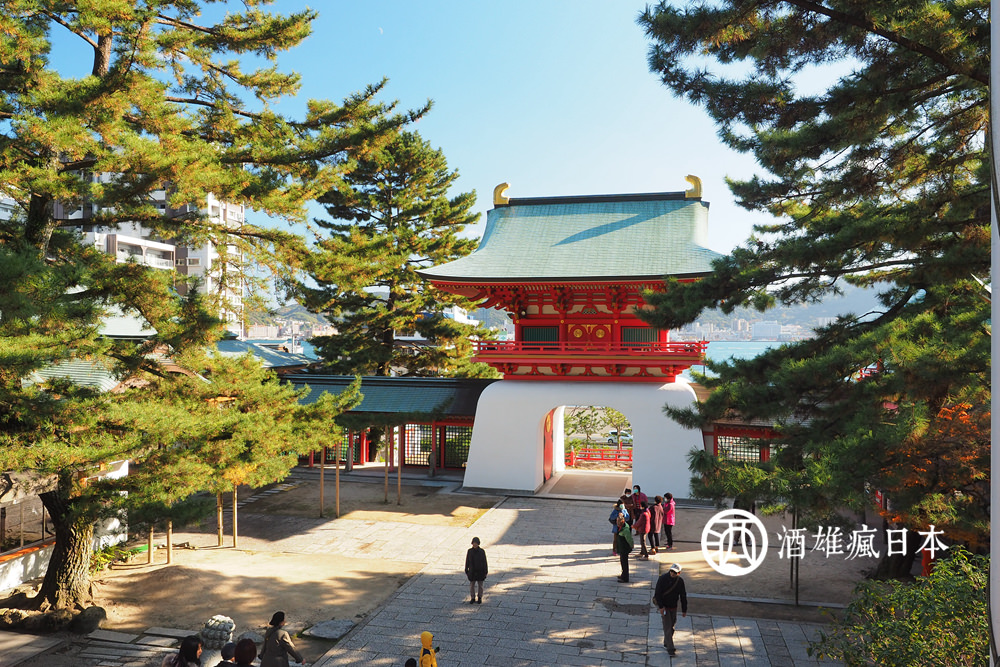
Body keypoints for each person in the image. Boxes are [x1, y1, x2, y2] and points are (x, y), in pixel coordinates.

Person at [654, 563, 688, 656]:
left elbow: (683, 595)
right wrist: (661, 607)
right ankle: (670, 648)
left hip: (673, 606)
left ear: (679, 573)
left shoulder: (680, 581)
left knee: (672, 626)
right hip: (664, 606)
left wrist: (684, 609)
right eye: (671, 571)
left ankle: (666, 641)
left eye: (675, 572)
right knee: (667, 627)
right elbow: (657, 593)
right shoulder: (662, 578)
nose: (672, 573)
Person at [464, 536, 488, 604]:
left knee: (480, 585)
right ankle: (472, 597)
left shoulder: (482, 551)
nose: (475, 544)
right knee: (472, 585)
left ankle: (480, 597)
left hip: (480, 571)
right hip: (472, 571)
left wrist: (485, 571)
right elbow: (467, 561)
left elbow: (484, 562)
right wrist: (466, 570)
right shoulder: (470, 551)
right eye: (474, 543)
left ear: (478, 543)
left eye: (476, 543)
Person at [614, 514, 633, 582]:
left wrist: (631, 545)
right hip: (621, 548)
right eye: (617, 521)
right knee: (622, 562)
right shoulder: (621, 527)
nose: (617, 523)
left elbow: (629, 539)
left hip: (624, 548)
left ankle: (625, 578)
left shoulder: (625, 530)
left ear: (622, 521)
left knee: (624, 563)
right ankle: (623, 574)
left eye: (618, 521)